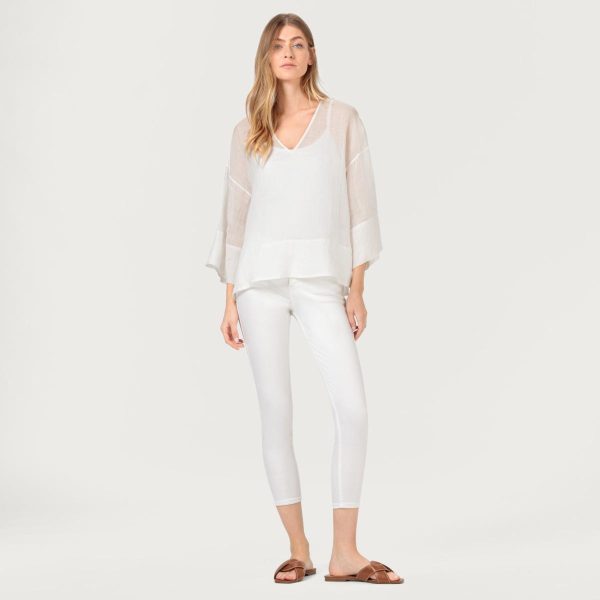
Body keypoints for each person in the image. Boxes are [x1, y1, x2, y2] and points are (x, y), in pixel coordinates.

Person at [206, 13, 404, 586]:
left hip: (322, 281)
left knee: (352, 408)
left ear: (311, 54)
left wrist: (357, 287)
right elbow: (235, 218)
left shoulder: (343, 120)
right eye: (278, 45)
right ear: (267, 58)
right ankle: (299, 549)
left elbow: (361, 204)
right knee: (276, 412)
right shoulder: (248, 130)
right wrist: (228, 299)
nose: (288, 53)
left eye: (297, 44)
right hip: (258, 283)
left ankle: (346, 553)